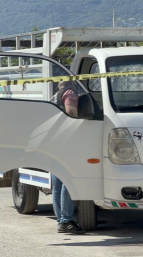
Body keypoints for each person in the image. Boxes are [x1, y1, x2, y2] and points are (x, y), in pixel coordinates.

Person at [51, 81, 86, 234]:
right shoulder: (70, 94)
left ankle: (61, 220)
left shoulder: (54, 96)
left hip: (54, 142)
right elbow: (71, 114)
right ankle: (66, 220)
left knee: (58, 183)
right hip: (67, 141)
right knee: (68, 180)